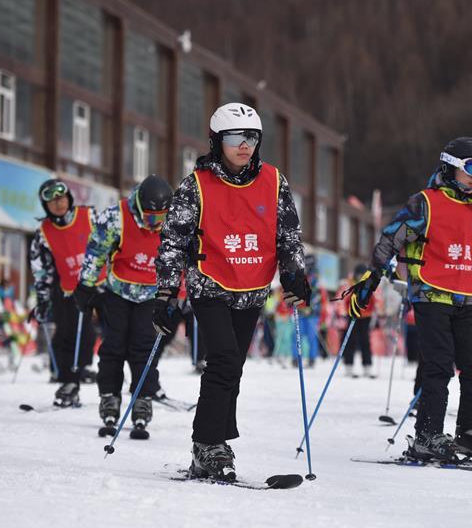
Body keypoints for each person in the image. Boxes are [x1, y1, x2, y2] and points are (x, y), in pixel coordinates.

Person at [152, 102, 310, 481]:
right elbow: (173, 242)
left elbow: (288, 234)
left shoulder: (274, 181)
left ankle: (220, 440)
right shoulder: (195, 185)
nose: (245, 145)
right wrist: (166, 294)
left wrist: (294, 275)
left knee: (233, 367)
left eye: (252, 137)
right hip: (210, 285)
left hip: (253, 288)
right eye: (235, 137)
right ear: (216, 141)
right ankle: (207, 445)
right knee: (222, 360)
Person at [352, 136, 472, 462]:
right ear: (451, 166)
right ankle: (428, 434)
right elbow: (391, 238)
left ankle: (471, 432)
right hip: (431, 296)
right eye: (471, 167)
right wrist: (371, 277)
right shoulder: (425, 203)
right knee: (438, 367)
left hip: (467, 298)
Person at [74, 175, 174, 435]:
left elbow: (182, 257)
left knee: (143, 347)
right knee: (114, 345)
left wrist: (177, 293)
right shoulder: (115, 216)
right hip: (117, 290)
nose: (156, 225)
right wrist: (85, 285)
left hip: (151, 294)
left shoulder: (174, 221)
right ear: (139, 208)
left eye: (161, 219)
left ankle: (142, 399)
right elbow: (96, 252)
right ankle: (109, 396)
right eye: (151, 218)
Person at [29, 179, 103, 406]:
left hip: (103, 285)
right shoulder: (44, 232)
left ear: (69, 198)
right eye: (51, 202)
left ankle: (122, 384)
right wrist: (42, 300)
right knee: (70, 334)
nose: (58, 205)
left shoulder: (90, 216)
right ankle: (69, 381)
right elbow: (42, 270)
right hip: (70, 291)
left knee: (117, 334)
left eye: (61, 199)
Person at [343, 264, 376, 378]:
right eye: (358, 275)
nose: (360, 277)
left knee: (365, 341)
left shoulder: (368, 285)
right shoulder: (351, 284)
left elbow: (372, 301)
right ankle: (348, 365)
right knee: (350, 340)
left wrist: (369, 311)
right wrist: (350, 310)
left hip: (365, 317)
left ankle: (367, 366)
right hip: (353, 316)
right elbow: (346, 301)